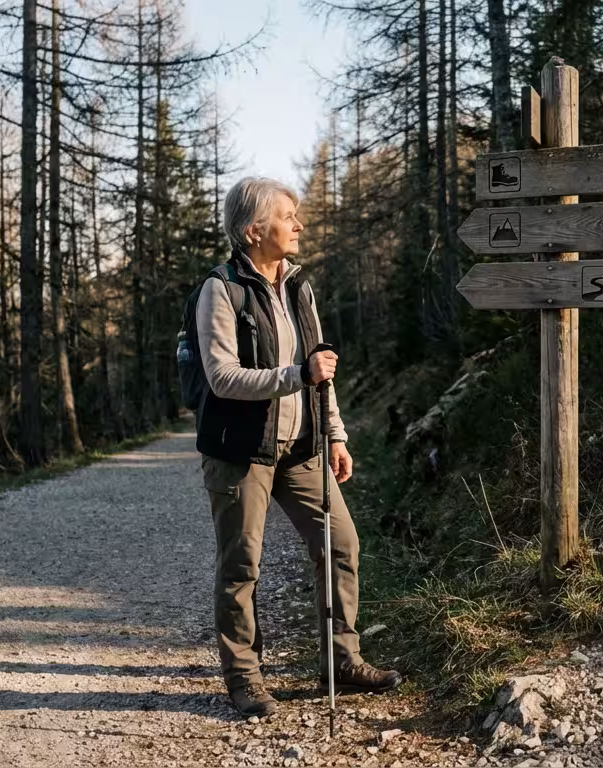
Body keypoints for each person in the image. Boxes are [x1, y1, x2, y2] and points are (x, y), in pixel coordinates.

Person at [195, 176, 401, 717]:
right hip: (241, 451)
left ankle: (343, 660)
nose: (299, 226)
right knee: (242, 564)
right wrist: (294, 375)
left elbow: (322, 370)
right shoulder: (221, 289)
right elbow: (222, 377)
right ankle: (245, 677)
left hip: (303, 446)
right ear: (253, 229)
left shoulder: (299, 287)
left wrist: (335, 433)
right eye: (288, 217)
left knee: (341, 545)